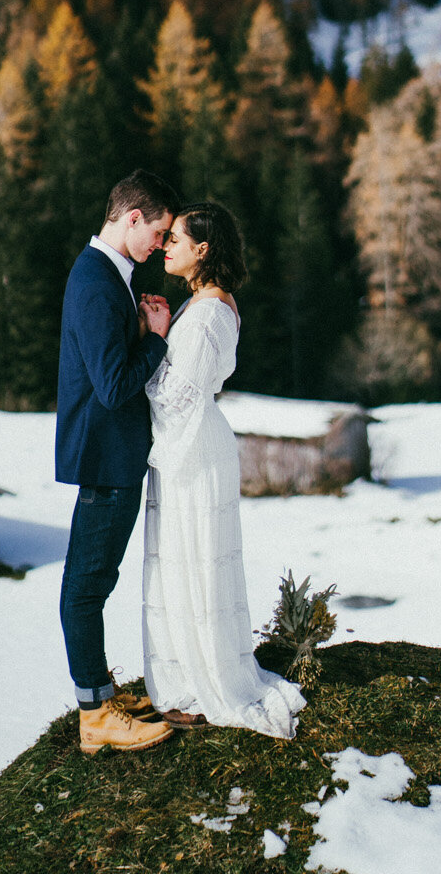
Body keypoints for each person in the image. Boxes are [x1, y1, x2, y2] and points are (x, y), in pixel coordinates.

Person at [142, 202, 305, 738]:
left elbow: (175, 398)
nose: (167, 245)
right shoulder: (205, 305)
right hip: (192, 447)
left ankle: (207, 677)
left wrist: (153, 339)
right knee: (185, 562)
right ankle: (186, 673)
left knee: (194, 563)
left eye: (177, 239)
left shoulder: (209, 313)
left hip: (192, 449)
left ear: (203, 250)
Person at [55, 169, 177, 754]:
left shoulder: (108, 274)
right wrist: (155, 337)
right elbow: (111, 385)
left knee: (94, 582)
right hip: (106, 458)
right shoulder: (97, 279)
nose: (160, 245)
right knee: (85, 588)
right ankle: (94, 716)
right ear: (132, 218)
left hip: (113, 455)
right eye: (157, 232)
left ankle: (100, 694)